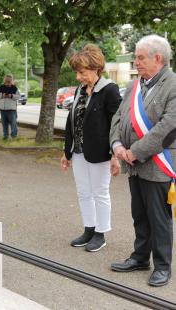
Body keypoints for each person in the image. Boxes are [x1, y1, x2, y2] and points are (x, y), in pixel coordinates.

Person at [109, 35, 176, 287]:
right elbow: (118, 116)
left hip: (157, 164)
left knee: (159, 217)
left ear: (157, 58)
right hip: (132, 163)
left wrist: (135, 151)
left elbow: (169, 127)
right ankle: (139, 257)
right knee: (139, 214)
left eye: (139, 57)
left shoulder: (173, 84)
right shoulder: (135, 85)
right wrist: (116, 145)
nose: (136, 62)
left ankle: (162, 266)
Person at [60, 44, 121, 252]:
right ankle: (89, 229)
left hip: (100, 153)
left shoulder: (109, 90)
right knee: (83, 192)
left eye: (82, 72)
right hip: (79, 152)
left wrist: (115, 154)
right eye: (77, 72)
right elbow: (71, 121)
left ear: (96, 68)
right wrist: (66, 151)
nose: (78, 77)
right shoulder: (80, 90)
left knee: (100, 193)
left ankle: (100, 234)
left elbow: (116, 124)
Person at [0, 74, 20, 140]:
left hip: (11, 109)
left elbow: (18, 96)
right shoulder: (1, 87)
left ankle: (14, 136)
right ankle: (5, 136)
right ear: (5, 80)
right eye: (7, 80)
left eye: (9, 81)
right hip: (2, 109)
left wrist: (11, 96)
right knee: (4, 124)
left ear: (11, 80)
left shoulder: (14, 88)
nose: (8, 82)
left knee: (13, 124)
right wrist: (2, 95)